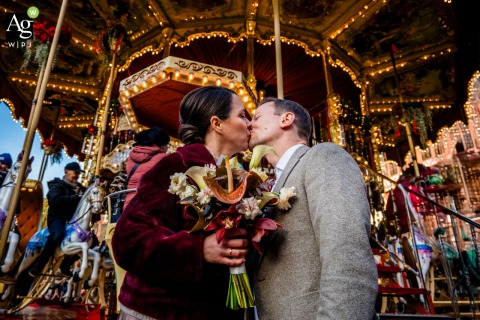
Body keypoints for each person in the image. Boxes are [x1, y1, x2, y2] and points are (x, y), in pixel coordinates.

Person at [112, 86, 251, 320]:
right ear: (216, 123)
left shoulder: (238, 175)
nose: (249, 123)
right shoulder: (176, 165)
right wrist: (197, 250)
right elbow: (128, 241)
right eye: (242, 115)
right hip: (161, 311)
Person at [248, 98, 378, 319]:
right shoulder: (268, 187)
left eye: (257, 117)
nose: (249, 125)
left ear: (286, 119)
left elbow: (346, 250)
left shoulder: (323, 157)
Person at [29, 162, 86, 277]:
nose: (77, 175)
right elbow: (54, 200)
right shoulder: (57, 185)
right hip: (57, 217)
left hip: (73, 220)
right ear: (66, 172)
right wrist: (75, 198)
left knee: (91, 240)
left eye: (79, 173)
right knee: (58, 234)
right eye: (75, 172)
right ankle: (39, 265)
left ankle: (65, 264)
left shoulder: (81, 189)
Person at [124, 127, 170, 209]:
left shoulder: (131, 157)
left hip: (128, 207)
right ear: (162, 144)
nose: (167, 148)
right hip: (149, 207)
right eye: (167, 145)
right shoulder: (164, 158)